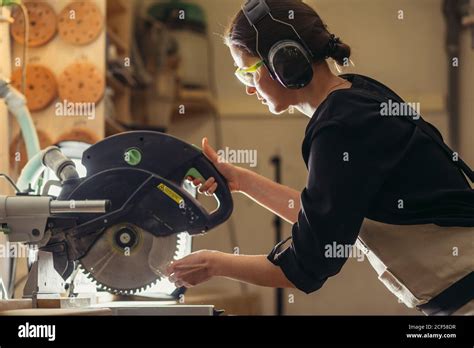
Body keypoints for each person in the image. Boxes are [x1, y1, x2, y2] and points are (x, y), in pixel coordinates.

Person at [165, 0, 474, 315]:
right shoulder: (355, 98)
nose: (249, 89)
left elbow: (306, 267)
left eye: (249, 72)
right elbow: (326, 218)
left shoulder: (340, 126)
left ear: (284, 60)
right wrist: (241, 181)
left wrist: (213, 263)